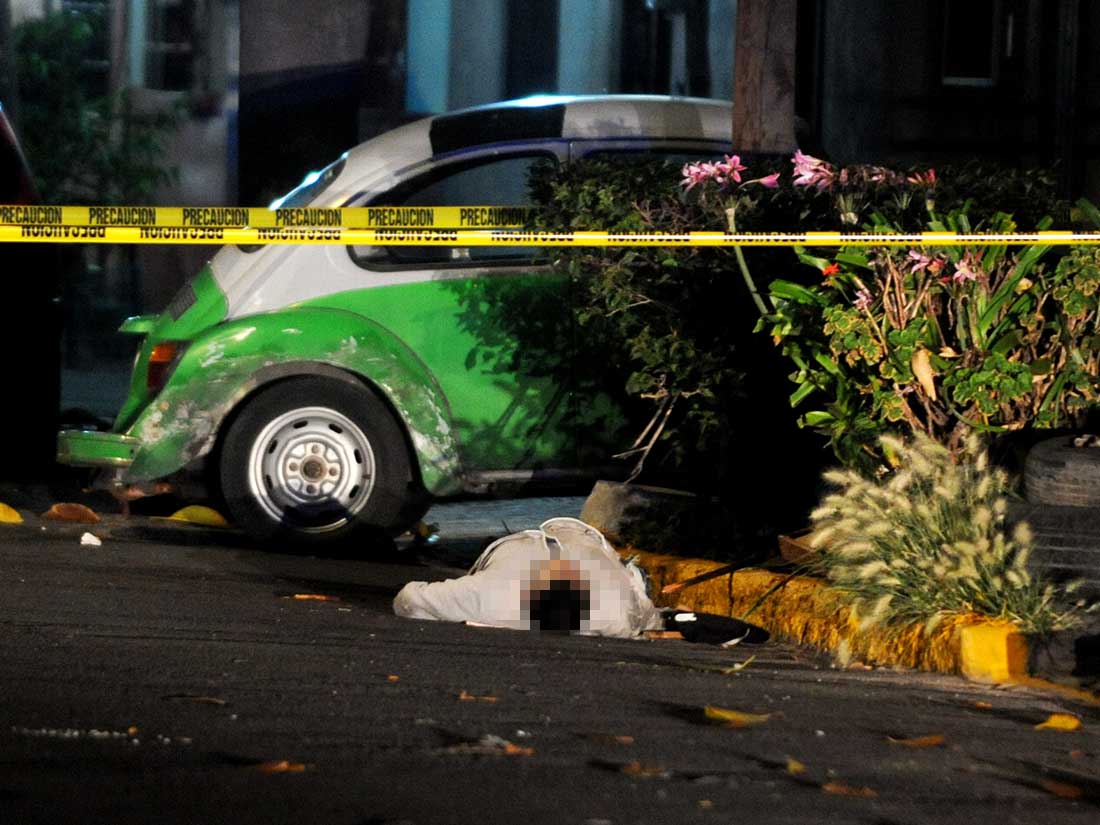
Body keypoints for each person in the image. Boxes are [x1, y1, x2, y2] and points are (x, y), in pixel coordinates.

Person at [393, 517, 664, 638]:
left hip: (507, 592)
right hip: (598, 610)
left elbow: (409, 601)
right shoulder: (620, 602)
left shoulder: (490, 592)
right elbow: (652, 621)